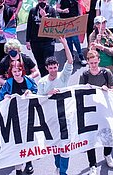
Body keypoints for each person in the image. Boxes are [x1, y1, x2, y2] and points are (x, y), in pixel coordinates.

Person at [37, 37, 73, 175]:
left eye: (55, 67)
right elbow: (39, 100)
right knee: (55, 146)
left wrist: (64, 44)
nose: (53, 70)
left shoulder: (63, 77)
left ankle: (63, 172)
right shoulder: (42, 82)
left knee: (66, 147)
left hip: (65, 117)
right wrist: (48, 94)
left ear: (58, 66)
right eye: (50, 68)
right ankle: (58, 167)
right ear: (46, 68)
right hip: (51, 119)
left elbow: (70, 62)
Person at [79, 50, 113, 175]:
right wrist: (85, 89)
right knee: (91, 138)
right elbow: (79, 93)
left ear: (99, 61)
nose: (94, 65)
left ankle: (107, 154)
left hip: (105, 109)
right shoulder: (84, 75)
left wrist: (108, 90)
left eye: (95, 62)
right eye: (91, 63)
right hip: (90, 111)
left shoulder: (106, 73)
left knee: (108, 134)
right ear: (88, 63)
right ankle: (92, 164)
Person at [0, 60, 37, 175]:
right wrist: (5, 96)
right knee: (16, 142)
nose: (17, 73)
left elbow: (37, 92)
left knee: (29, 140)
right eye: (14, 71)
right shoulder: (8, 83)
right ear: (11, 72)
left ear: (22, 70)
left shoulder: (29, 81)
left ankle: (29, 162)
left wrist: (31, 92)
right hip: (14, 117)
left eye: (18, 71)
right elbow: (0, 98)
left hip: (28, 115)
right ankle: (18, 168)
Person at [25, 0, 56, 77]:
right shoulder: (33, 11)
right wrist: (27, 40)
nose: (42, 1)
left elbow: (54, 26)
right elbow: (29, 26)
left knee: (49, 63)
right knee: (40, 64)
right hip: (35, 41)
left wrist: (44, 17)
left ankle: (51, 79)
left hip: (48, 41)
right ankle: (44, 81)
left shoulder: (51, 10)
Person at [56, 0, 87, 65]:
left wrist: (81, 17)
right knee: (68, 40)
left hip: (74, 21)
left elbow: (79, 6)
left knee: (75, 39)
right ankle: (71, 55)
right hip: (65, 22)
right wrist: (63, 11)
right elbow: (57, 8)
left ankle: (80, 56)